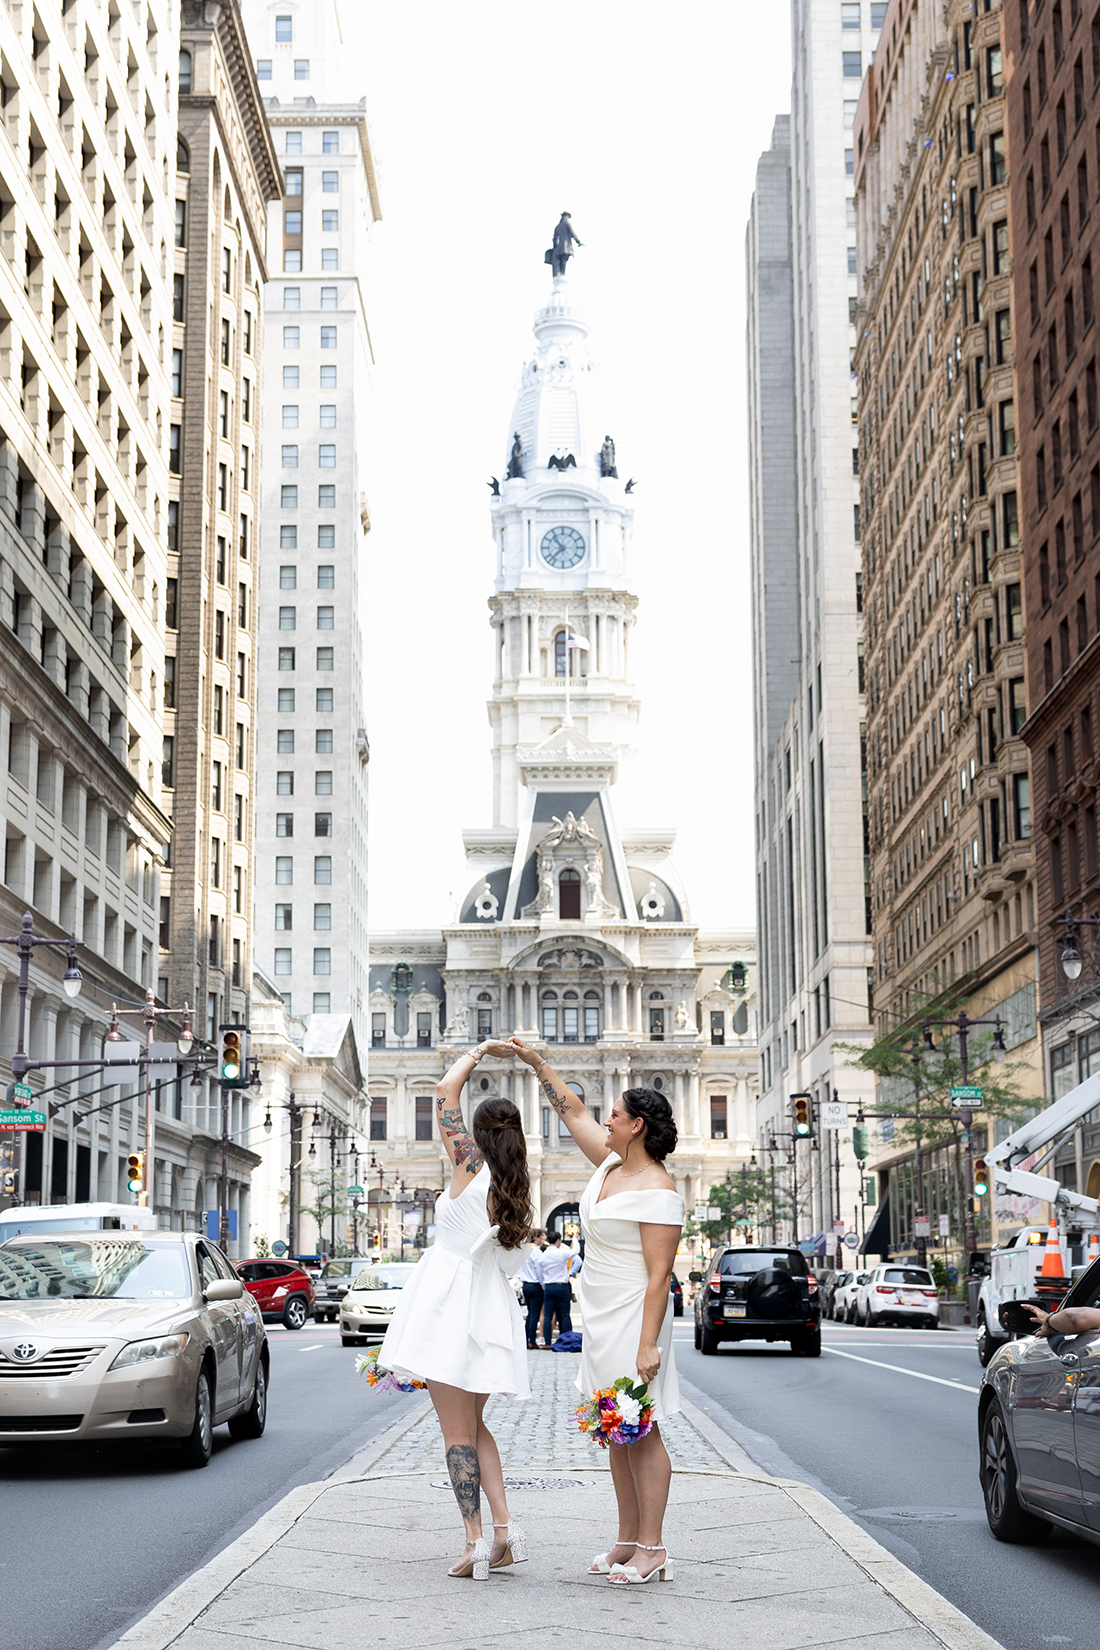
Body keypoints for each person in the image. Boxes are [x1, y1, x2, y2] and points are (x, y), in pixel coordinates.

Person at [508, 1037, 683, 1585]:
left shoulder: (659, 1188)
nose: (605, 1122)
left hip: (636, 1316)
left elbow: (659, 1276)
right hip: (601, 1315)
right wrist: (539, 1064)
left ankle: (653, 1548)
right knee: (615, 1427)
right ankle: (627, 1540)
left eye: (616, 1117)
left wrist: (649, 1342)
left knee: (641, 1427)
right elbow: (574, 1110)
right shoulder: (608, 1165)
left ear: (637, 1127)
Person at [378, 1040, 531, 1581]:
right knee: (476, 1423)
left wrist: (479, 1051)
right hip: (486, 1303)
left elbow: (444, 1090)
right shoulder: (514, 1184)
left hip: (448, 1300)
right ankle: (505, 1533)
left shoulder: (470, 1163)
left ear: (480, 1133)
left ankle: (472, 1541)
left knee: (455, 1434)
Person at [537, 1230, 581, 1347]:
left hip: (549, 1287)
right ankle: (566, 1340)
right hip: (562, 1286)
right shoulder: (561, 1253)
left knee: (548, 1315)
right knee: (565, 1314)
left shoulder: (543, 1256)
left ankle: (547, 1342)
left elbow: (540, 1274)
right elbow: (576, 1251)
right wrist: (575, 1238)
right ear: (558, 1241)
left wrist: (544, 1286)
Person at [517, 1228, 547, 1348]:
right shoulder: (536, 1252)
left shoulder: (524, 1250)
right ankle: (532, 1341)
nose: (544, 1238)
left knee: (530, 1314)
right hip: (535, 1285)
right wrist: (544, 1286)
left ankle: (526, 1338)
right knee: (535, 1314)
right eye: (542, 1235)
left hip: (526, 1284)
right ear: (536, 1238)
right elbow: (539, 1271)